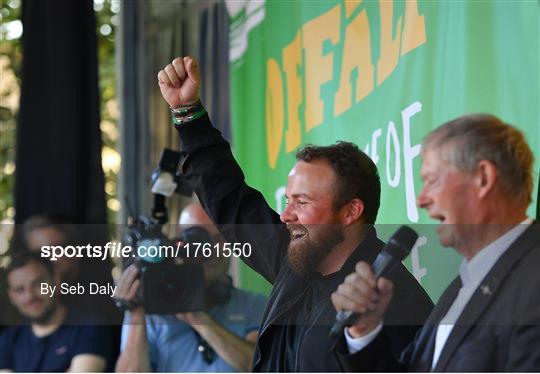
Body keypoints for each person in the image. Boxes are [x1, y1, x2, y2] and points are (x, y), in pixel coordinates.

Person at [156, 56, 434, 371]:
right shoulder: (297, 259)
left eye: (302, 202)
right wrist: (187, 113)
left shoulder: (392, 296)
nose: (286, 215)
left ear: (350, 211)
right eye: (288, 200)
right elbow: (231, 201)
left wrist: (363, 334)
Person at [331, 114, 540, 371]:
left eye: (432, 180)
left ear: (483, 178)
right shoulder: (460, 288)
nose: (422, 199)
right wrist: (365, 332)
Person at [114, 202, 267, 372]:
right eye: (198, 240)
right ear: (179, 244)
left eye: (220, 238)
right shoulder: (151, 313)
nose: (211, 249)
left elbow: (261, 366)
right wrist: (136, 315)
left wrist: (197, 317)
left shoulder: (255, 305)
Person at [0, 251, 113, 372]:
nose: (30, 296)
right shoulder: (9, 339)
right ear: (12, 296)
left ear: (56, 281)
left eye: (38, 284)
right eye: (19, 290)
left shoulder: (89, 326)